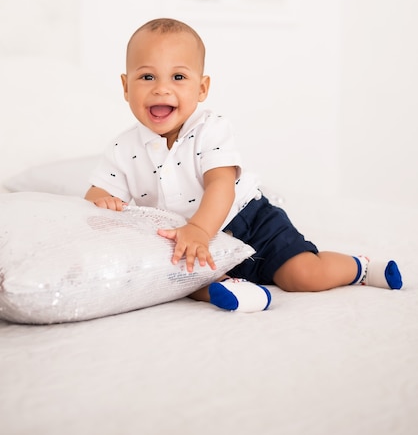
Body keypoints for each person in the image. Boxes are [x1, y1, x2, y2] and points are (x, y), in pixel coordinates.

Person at [85, 18, 402, 312]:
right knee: (176, 279)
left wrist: (199, 229)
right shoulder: (122, 148)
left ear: (202, 88)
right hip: (185, 240)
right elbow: (96, 196)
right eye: (147, 76)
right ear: (126, 87)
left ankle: (358, 267)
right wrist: (103, 203)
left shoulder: (210, 129)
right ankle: (232, 289)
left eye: (178, 77)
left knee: (303, 276)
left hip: (248, 221)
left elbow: (220, 184)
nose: (161, 88)